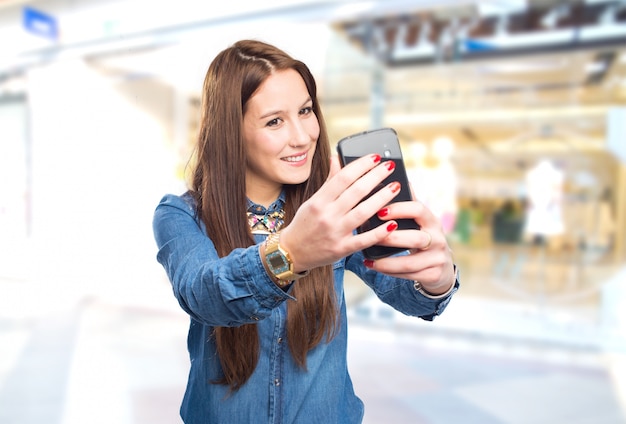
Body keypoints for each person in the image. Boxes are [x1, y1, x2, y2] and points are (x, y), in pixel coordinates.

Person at [152, 39, 459, 424]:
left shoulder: (334, 207)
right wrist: (292, 252)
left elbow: (407, 296)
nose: (302, 136)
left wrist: (436, 282)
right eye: (274, 121)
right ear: (232, 131)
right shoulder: (181, 215)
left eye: (306, 111)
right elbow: (205, 295)